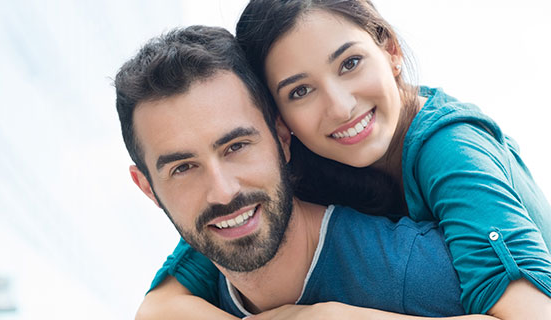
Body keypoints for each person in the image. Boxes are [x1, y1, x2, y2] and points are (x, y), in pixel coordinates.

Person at [139, 0, 551, 319]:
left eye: (350, 63)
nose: (340, 107)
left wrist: (332, 315)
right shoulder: (290, 165)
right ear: (279, 122)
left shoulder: (451, 148)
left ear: (389, 49)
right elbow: (161, 305)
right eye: (300, 91)